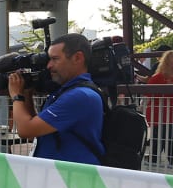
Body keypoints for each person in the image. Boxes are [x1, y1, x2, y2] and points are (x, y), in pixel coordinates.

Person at [8, 33, 104, 164]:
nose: (49, 66)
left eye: (55, 59)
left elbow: (25, 130)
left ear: (78, 58)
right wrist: (26, 94)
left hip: (72, 177)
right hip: (60, 174)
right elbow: (34, 132)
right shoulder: (66, 92)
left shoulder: (80, 96)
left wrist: (16, 95)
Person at [144, 50, 173, 167]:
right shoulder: (158, 78)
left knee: (171, 139)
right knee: (160, 140)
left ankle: (168, 162)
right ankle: (171, 163)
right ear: (168, 63)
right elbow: (148, 94)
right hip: (159, 115)